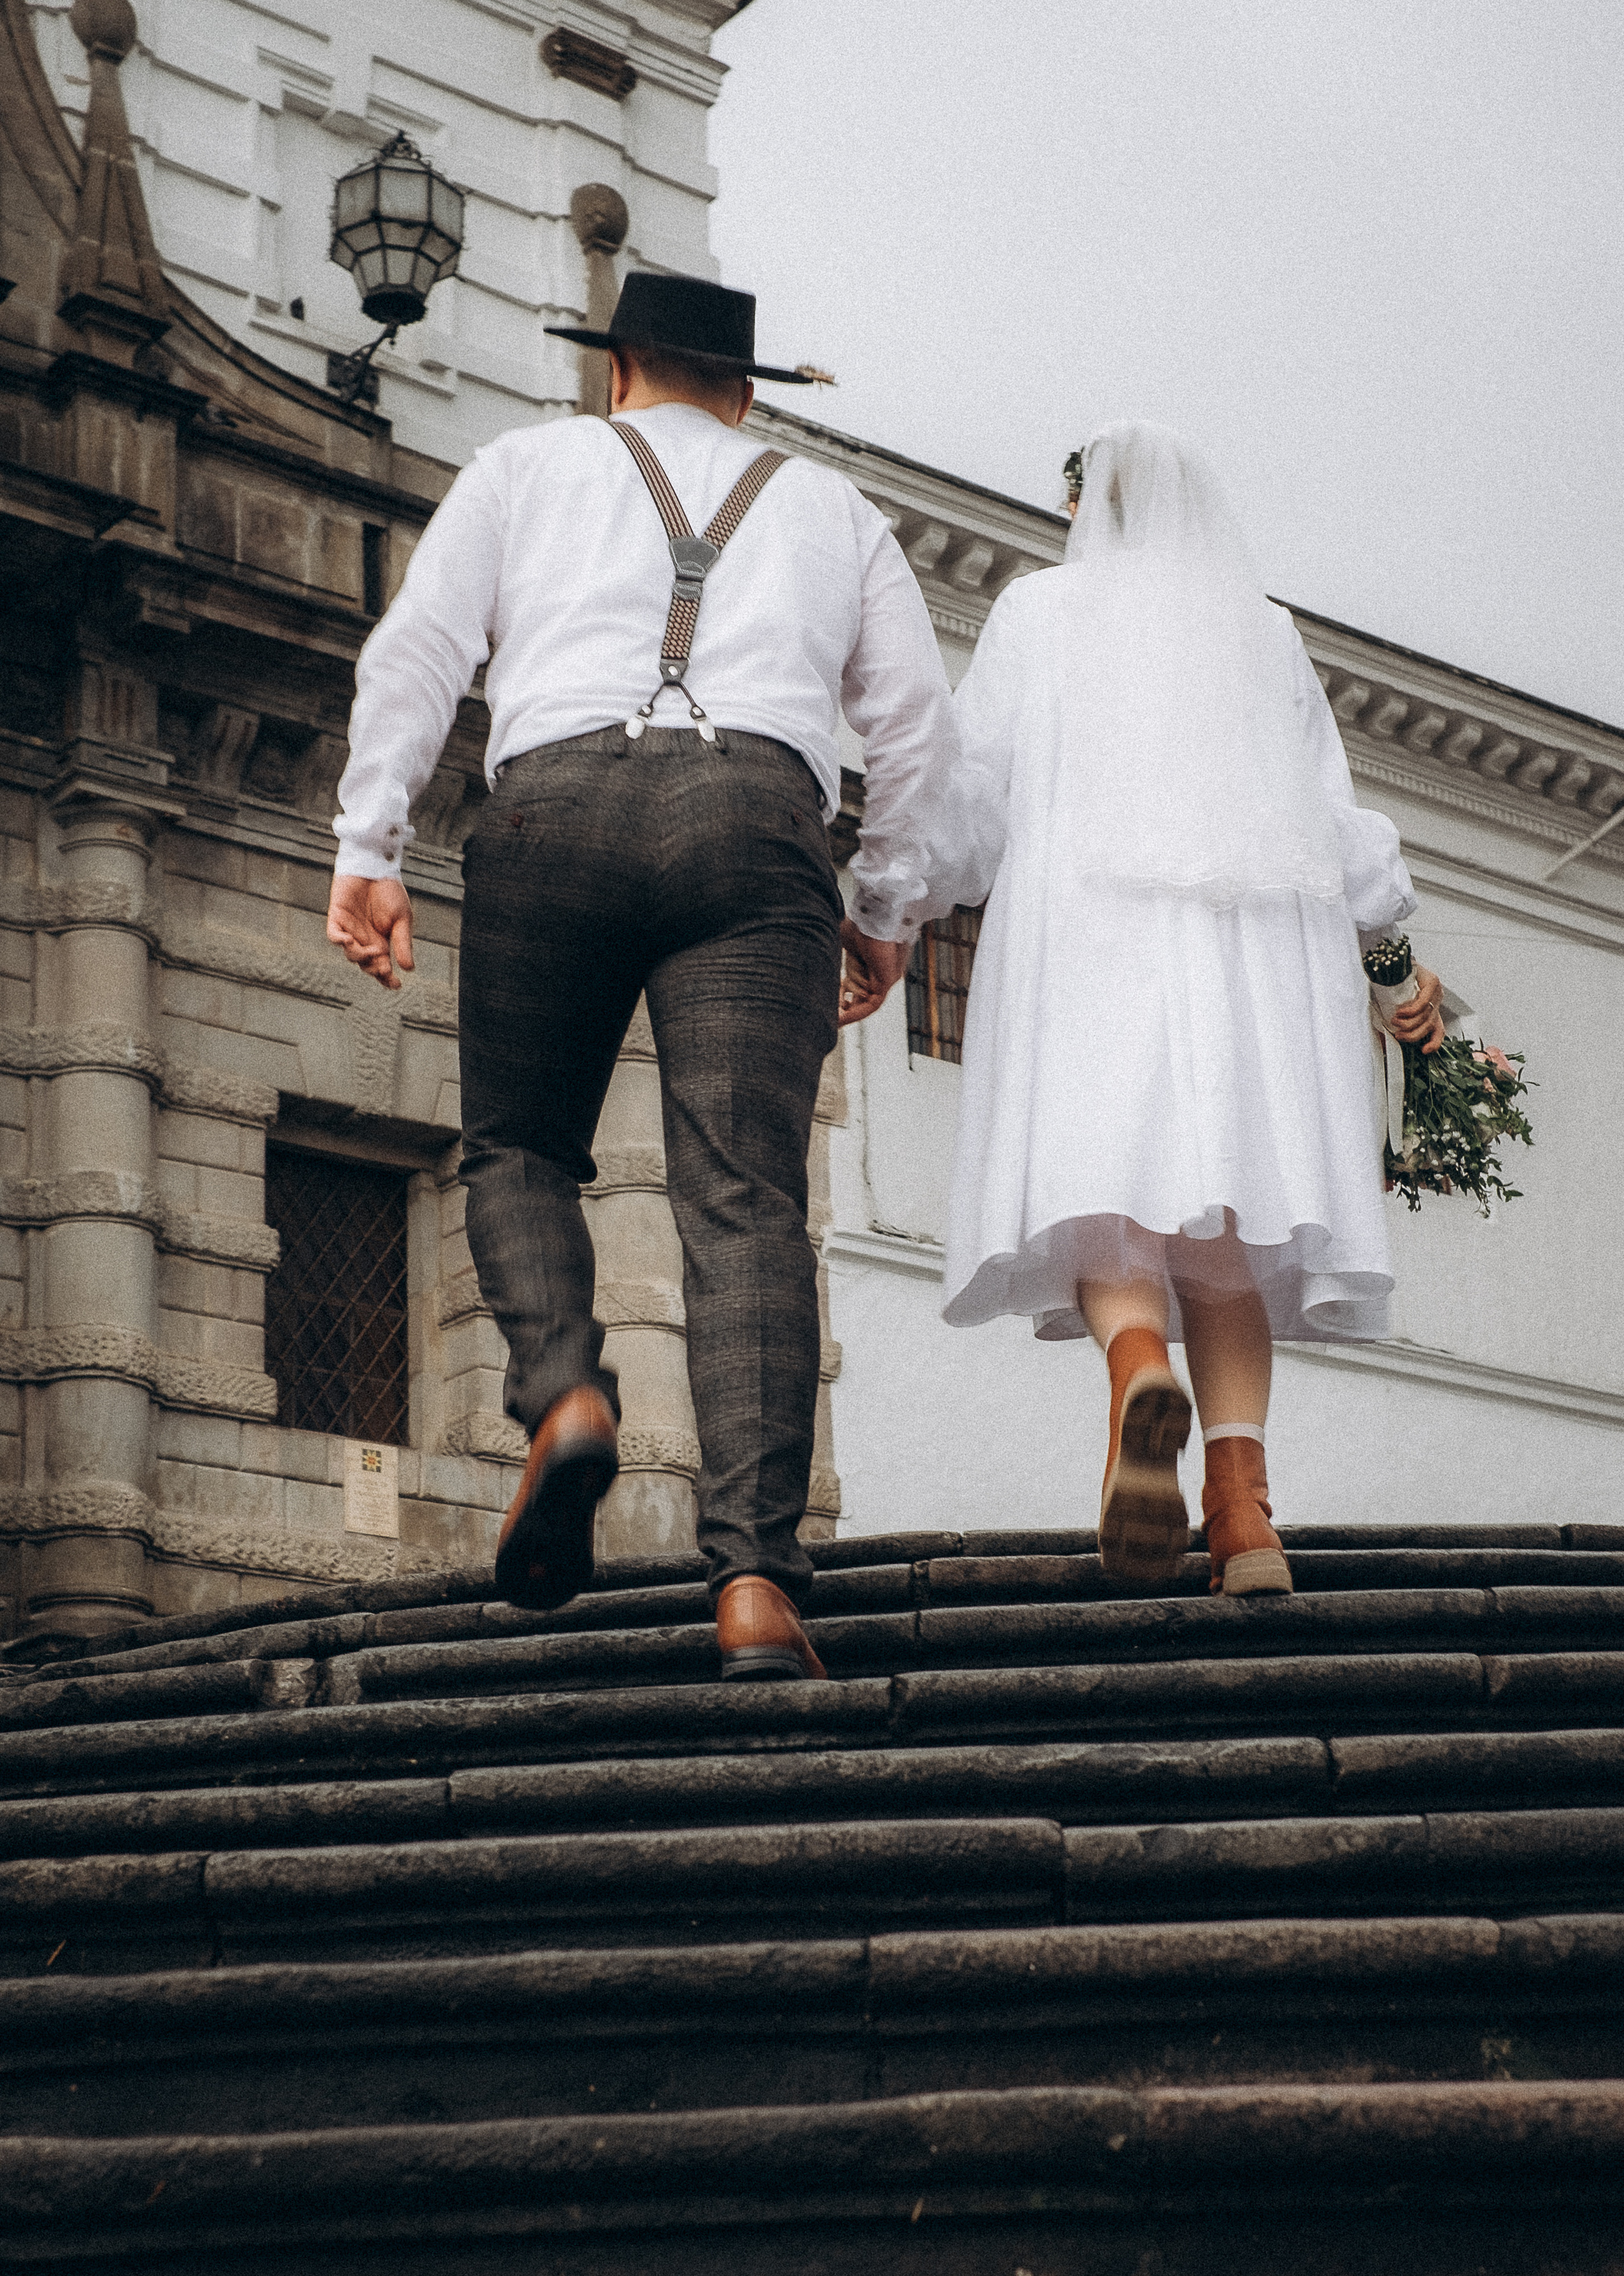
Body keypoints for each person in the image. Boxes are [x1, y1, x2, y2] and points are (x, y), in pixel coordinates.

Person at [327, 271, 983, 1677]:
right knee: (744, 1202)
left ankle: (565, 1397)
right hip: (756, 822)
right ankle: (753, 1582)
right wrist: (885, 906)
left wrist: (367, 842)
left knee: (515, 1146)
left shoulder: (524, 465)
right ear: (746, 393)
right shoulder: (832, 510)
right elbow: (918, 735)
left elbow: (420, 651)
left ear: (615, 371)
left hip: (550, 806)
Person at [940, 422, 1444, 1593]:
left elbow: (979, 786)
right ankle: (1244, 1516)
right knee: (1229, 1241)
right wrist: (1393, 962)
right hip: (1252, 962)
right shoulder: (1262, 633)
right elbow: (1334, 817)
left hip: (1093, 944)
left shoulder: (1039, 612)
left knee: (1109, 1197)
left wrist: (899, 895)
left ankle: (1135, 1376)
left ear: (1084, 508)